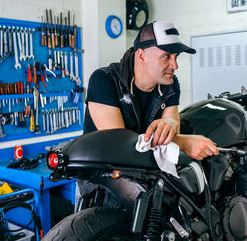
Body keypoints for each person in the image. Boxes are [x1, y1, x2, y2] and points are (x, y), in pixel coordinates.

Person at [79, 21, 219, 210]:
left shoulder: (170, 84)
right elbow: (119, 147)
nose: (175, 65)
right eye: (167, 56)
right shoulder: (104, 80)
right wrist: (184, 142)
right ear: (142, 55)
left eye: (176, 56)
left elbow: (172, 122)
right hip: (101, 174)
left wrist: (169, 123)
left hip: (142, 168)